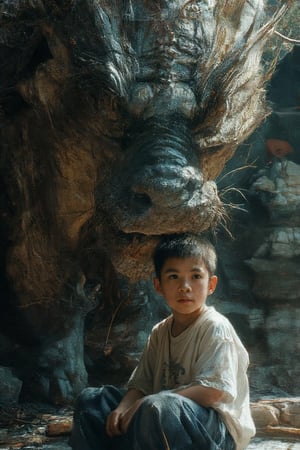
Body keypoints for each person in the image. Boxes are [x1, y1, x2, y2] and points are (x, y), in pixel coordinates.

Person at [70, 233, 255, 450]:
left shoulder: (215, 327)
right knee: (92, 401)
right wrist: (122, 408)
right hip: (160, 418)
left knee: (157, 406)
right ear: (158, 285)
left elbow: (213, 392)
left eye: (195, 276)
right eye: (174, 277)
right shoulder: (160, 331)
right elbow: (141, 384)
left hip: (215, 433)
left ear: (211, 284)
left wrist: (145, 404)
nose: (185, 286)